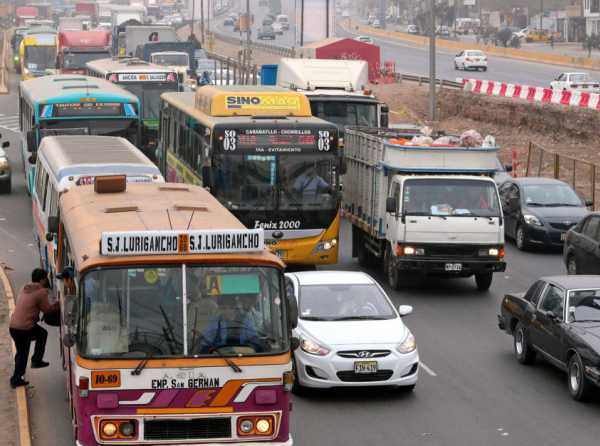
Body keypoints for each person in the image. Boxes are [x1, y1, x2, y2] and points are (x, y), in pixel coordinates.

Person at [9, 268, 59, 388]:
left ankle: (16, 377)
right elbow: (47, 309)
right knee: (40, 337)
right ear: (42, 279)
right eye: (46, 278)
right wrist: (58, 305)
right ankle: (35, 361)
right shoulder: (41, 291)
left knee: (21, 352)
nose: (47, 280)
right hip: (24, 328)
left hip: (13, 326)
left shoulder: (24, 287)